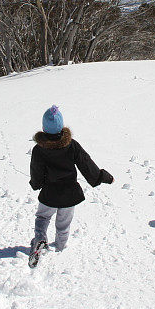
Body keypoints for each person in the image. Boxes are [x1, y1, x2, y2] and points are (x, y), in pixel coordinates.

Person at [29, 105, 113, 256]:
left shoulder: (39, 149)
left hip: (50, 193)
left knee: (42, 217)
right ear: (61, 126)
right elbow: (86, 165)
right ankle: (60, 248)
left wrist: (36, 184)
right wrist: (103, 177)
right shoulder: (71, 145)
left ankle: (40, 238)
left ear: (43, 127)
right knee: (63, 224)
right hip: (69, 194)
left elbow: (36, 171)